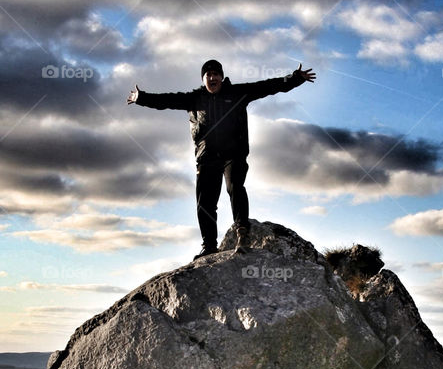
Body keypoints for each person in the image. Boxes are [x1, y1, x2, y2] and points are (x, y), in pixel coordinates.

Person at [127, 59, 316, 259]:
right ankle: (209, 245)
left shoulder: (236, 93)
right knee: (205, 202)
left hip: (233, 154)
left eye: (215, 74)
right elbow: (165, 101)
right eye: (207, 75)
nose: (212, 77)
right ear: (203, 79)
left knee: (234, 186)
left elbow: (268, 86)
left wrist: (295, 79)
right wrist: (141, 97)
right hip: (207, 157)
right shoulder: (194, 98)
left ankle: (242, 233)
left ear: (221, 77)